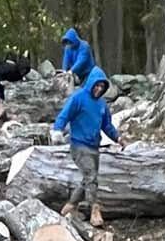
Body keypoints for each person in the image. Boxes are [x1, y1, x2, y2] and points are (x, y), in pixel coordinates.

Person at [51, 66, 119, 225]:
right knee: (91, 177)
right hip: (79, 145)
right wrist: (57, 130)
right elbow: (64, 115)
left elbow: (107, 125)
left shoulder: (102, 104)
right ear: (91, 83)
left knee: (87, 180)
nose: (99, 89)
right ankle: (95, 211)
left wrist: (118, 138)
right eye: (97, 85)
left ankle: (69, 207)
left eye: (102, 86)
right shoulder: (78, 98)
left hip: (94, 147)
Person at [0, 53, 29, 126]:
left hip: (1, 89)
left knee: (1, 106)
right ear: (19, 67)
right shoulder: (9, 68)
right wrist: (0, 82)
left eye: (25, 71)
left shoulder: (19, 75)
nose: (23, 72)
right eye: (23, 69)